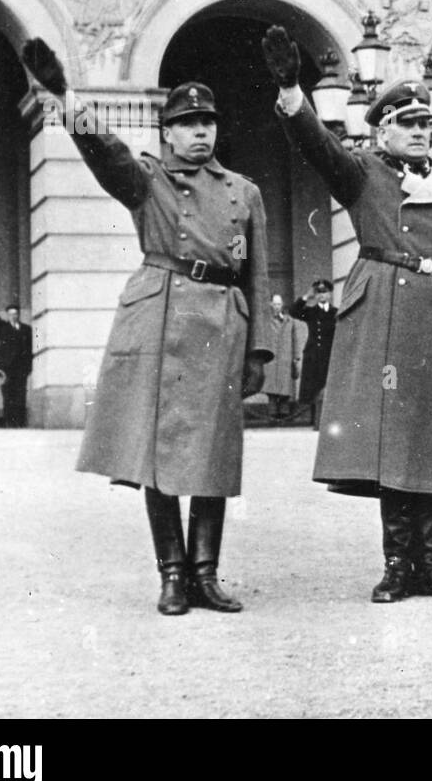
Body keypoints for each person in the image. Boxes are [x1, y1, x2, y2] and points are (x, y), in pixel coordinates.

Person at [20, 39, 272, 616]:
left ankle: (206, 573)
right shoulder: (148, 180)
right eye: (187, 124)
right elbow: (104, 151)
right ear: (167, 133)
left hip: (221, 322)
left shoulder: (245, 191)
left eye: (207, 121)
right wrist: (64, 97)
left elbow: (257, 275)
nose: (200, 132)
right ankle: (173, 575)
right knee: (158, 450)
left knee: (214, 450)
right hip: (161, 315)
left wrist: (260, 349)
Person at [262, 26, 432, 603]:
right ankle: (398, 564)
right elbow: (318, 145)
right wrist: (292, 92)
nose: (421, 133)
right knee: (392, 440)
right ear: (383, 129)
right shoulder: (362, 172)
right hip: (385, 316)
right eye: (408, 124)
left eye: (427, 125)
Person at [290, 280, 337, 429]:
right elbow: (293, 311)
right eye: (318, 293)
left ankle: (326, 420)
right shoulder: (311, 311)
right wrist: (306, 297)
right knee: (312, 387)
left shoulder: (335, 312)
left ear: (329, 294)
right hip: (313, 355)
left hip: (328, 355)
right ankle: (314, 420)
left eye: (324, 292)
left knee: (327, 387)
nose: (321, 296)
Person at [263, 294, 303, 420]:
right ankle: (272, 413)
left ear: (282, 305)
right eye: (274, 304)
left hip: (285, 358)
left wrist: (296, 356)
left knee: (285, 389)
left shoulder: (289, 321)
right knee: (272, 390)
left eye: (279, 304)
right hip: (271, 359)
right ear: (270, 305)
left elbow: (295, 339)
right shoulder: (266, 321)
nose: (276, 307)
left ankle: (284, 414)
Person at [0, 304, 33, 427]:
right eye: (10, 314)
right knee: (7, 395)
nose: (13, 316)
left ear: (18, 314)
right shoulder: (3, 328)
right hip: (7, 367)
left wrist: (28, 366)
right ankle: (9, 422)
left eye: (15, 313)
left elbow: (30, 348)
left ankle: (20, 422)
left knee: (20, 395)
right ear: (7, 315)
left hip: (21, 367)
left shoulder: (27, 329)